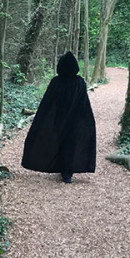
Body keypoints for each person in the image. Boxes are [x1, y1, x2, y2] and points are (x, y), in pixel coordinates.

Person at [21, 51, 96, 183]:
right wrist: (86, 121)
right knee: (70, 144)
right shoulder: (79, 82)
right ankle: (67, 172)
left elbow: (48, 103)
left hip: (59, 120)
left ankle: (65, 170)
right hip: (74, 121)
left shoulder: (57, 82)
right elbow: (84, 104)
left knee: (61, 143)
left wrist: (45, 120)